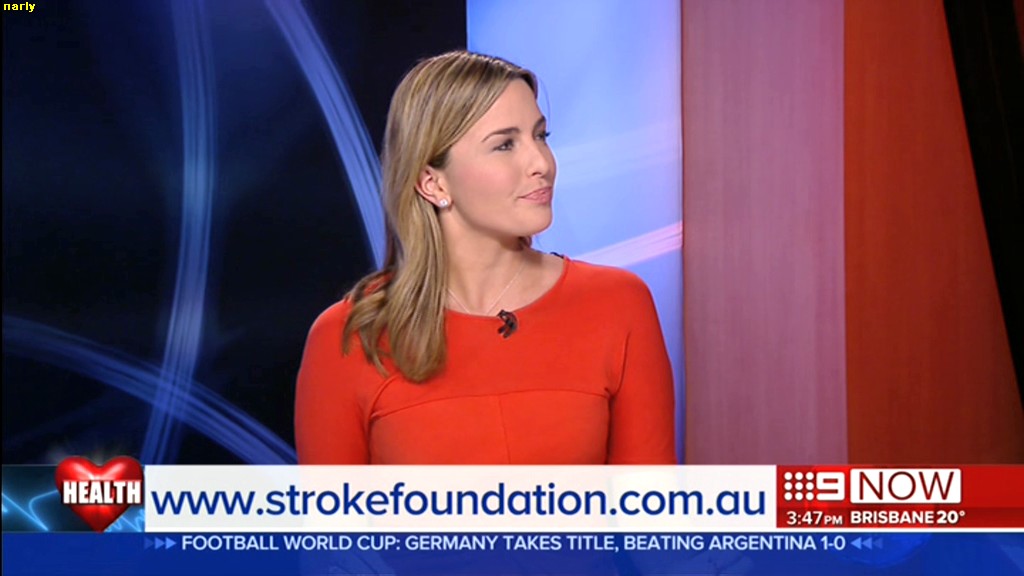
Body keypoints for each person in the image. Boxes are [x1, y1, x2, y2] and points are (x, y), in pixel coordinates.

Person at [295, 50, 676, 465]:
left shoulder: (617, 304)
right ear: (432, 182)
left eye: (541, 136)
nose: (542, 163)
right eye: (505, 145)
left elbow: (649, 501)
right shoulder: (350, 338)